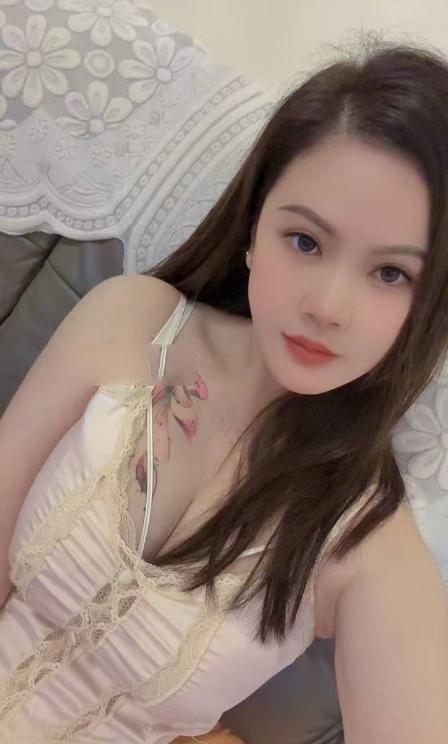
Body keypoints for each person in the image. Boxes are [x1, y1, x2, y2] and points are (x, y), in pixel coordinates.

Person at [1, 33, 448, 744]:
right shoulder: (132, 320)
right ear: (254, 226)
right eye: (305, 241)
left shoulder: (369, 546)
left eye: (390, 273)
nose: (328, 305)